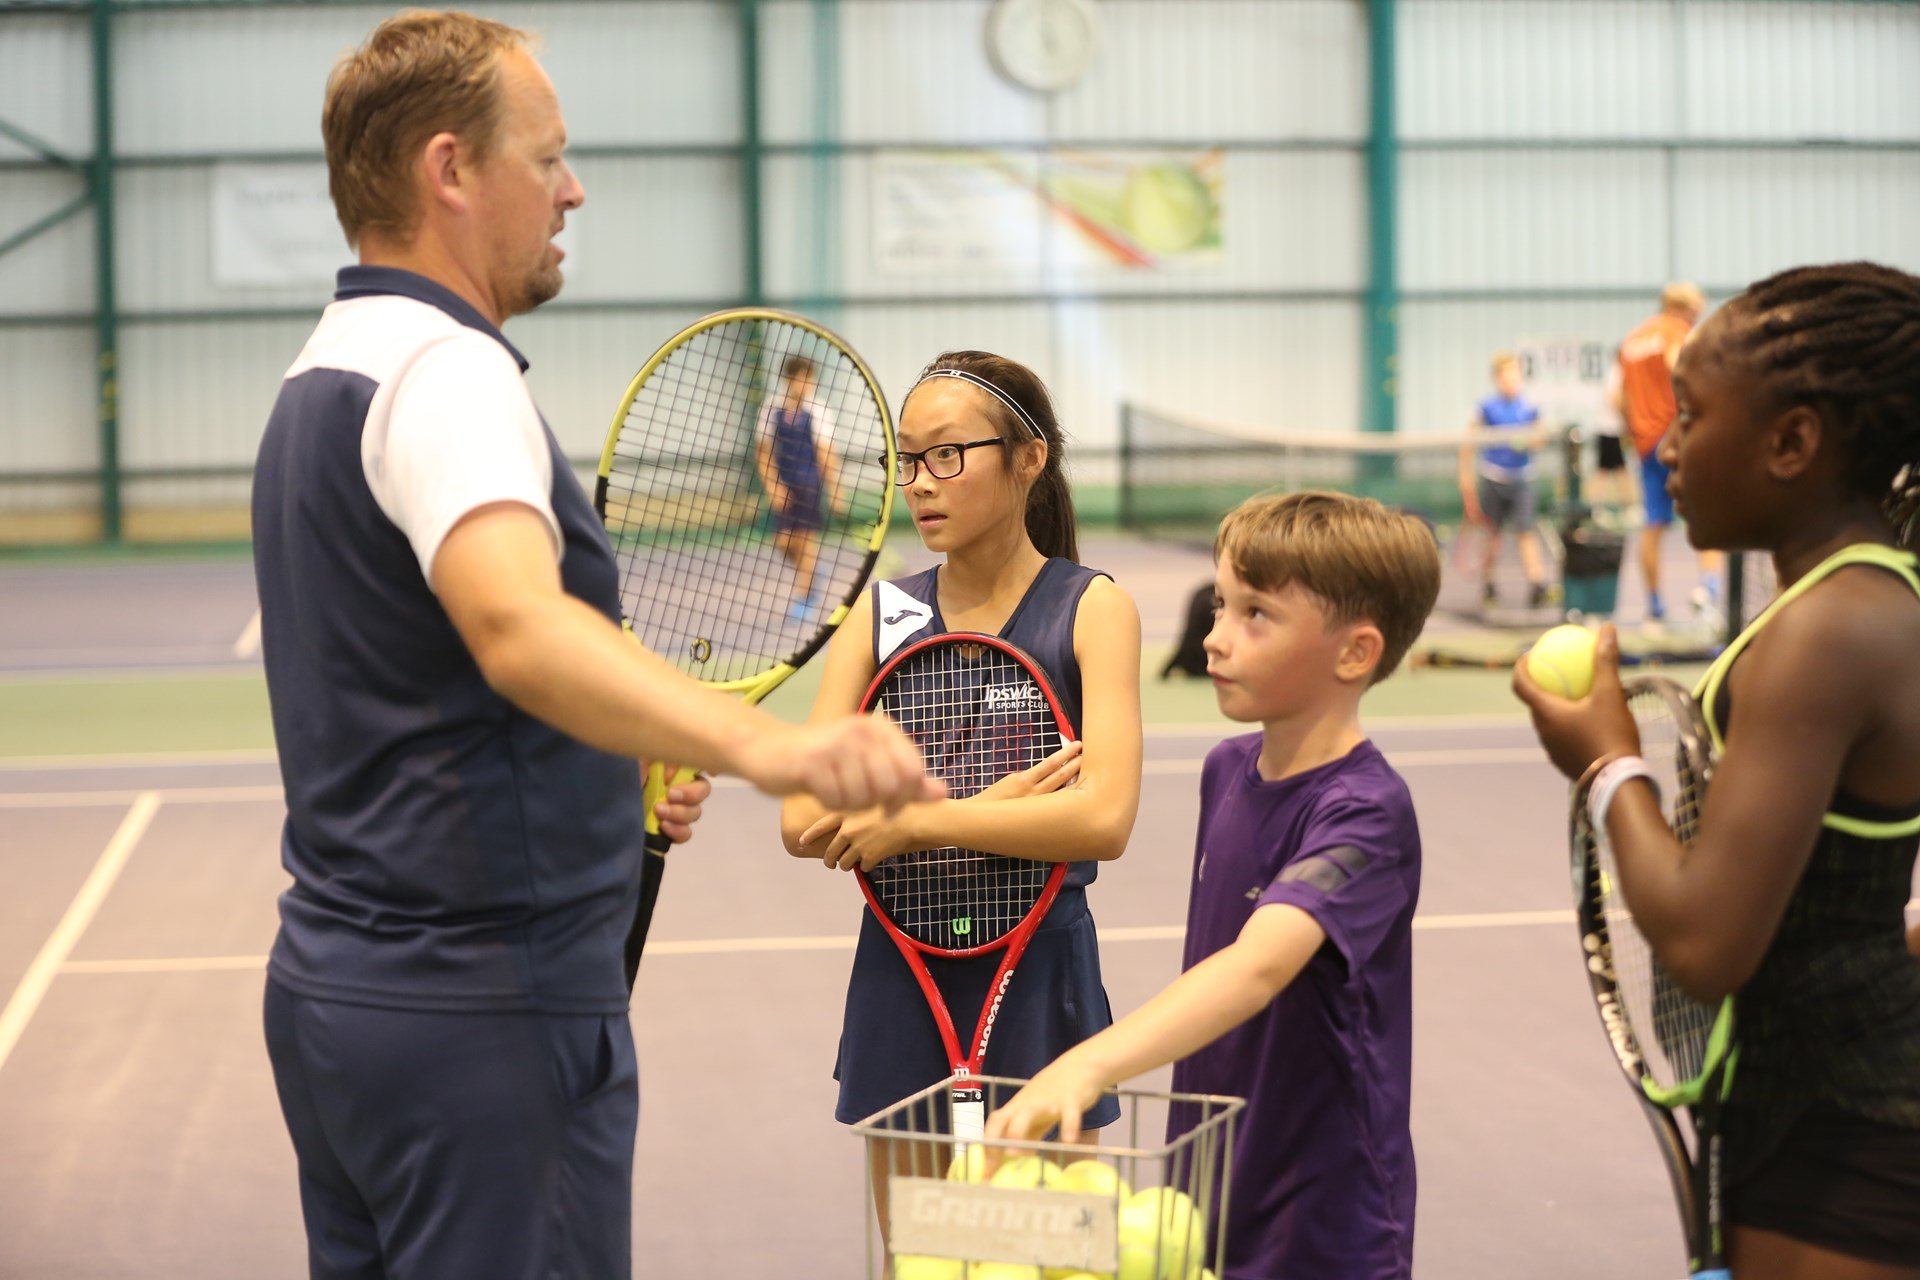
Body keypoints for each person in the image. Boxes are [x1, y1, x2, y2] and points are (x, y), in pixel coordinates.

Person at [252, 15, 937, 1279]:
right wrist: (770, 744)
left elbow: (431, 681)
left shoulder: (323, 372)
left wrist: (608, 766)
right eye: (547, 157)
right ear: (450, 170)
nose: (573, 189)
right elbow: (514, 625)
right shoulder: (446, 375)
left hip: (341, 1000)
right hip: (484, 1019)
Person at [1515, 261, 1920, 1278]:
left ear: (1792, 441)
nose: (1664, 442)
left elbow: (1703, 941)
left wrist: (1604, 759)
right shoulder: (1869, 601)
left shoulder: (1825, 630)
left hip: (1838, 1138)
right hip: (1814, 1102)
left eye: (1690, 415)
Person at [987, 491, 1442, 1280]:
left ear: (1354, 653)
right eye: (1221, 604)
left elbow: (1258, 964)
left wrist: (1086, 1063)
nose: (1215, 637)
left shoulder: (1366, 812)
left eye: (1255, 615)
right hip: (1204, 1188)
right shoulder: (1224, 770)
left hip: (1326, 1213)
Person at [778, 351, 1144, 1219]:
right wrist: (1005, 810)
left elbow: (1103, 818)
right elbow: (801, 816)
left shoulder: (1093, 608)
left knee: (1042, 1263)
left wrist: (918, 822)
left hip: (1040, 970)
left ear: (1028, 459)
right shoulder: (883, 614)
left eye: (949, 454)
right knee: (917, 1264)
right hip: (903, 972)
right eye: (907, 459)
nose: (921, 483)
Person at [1619, 281, 1725, 628]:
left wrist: (1634, 431)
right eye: (1696, 310)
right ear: (1686, 309)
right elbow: (1679, 369)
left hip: (1646, 443)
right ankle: (1707, 594)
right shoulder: (1676, 332)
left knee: (1653, 525)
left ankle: (1654, 609)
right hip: (1678, 437)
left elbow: (1618, 399)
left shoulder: (1632, 340)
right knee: (1708, 510)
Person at [1458, 351, 1549, 609]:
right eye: (1507, 375)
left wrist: (1529, 440)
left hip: (1523, 480)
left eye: (1516, 374)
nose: (1512, 379)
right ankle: (1488, 585)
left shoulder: (1530, 406)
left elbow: (1541, 437)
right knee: (1492, 536)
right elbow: (1468, 442)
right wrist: (1465, 479)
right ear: (1497, 379)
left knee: (1526, 532)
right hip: (1493, 478)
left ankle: (1537, 584)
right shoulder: (1485, 407)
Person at [754, 353, 842, 620]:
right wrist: (773, 486)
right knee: (783, 542)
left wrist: (835, 488)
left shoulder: (819, 410)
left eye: (808, 379)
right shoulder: (772, 409)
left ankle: (804, 597)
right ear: (788, 380)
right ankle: (813, 570)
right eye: (798, 378)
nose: (804, 384)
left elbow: (826, 452)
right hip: (785, 482)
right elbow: (764, 452)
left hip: (810, 484)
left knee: (805, 542)